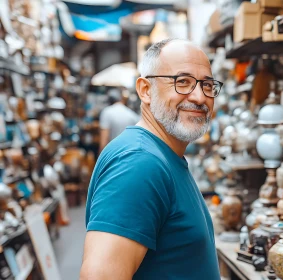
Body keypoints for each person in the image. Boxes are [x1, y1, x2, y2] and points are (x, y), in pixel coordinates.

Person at [80, 38, 223, 280]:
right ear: (146, 90)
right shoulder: (139, 163)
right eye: (183, 82)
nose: (199, 97)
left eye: (207, 85)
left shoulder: (164, 157)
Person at [99, 88, 140, 152]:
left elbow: (104, 140)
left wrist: (100, 159)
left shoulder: (107, 112)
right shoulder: (133, 115)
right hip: (128, 155)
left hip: (112, 154)